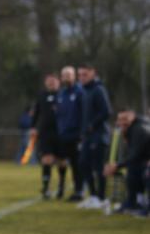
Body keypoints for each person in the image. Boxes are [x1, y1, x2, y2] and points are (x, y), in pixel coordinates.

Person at [77, 64, 113, 210]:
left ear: (93, 73)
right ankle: (93, 196)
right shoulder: (84, 91)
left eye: (84, 74)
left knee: (99, 168)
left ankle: (102, 198)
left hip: (99, 136)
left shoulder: (98, 89)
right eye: (79, 75)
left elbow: (106, 111)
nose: (81, 78)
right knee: (83, 163)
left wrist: (92, 125)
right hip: (87, 136)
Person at [103, 108, 150, 216]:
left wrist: (117, 166)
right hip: (142, 162)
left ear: (131, 117)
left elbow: (135, 154)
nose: (120, 122)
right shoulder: (132, 129)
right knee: (134, 169)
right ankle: (133, 202)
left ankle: (140, 204)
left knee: (143, 171)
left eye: (123, 119)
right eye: (119, 120)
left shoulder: (138, 129)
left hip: (144, 163)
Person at [30, 73, 65, 199]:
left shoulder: (63, 95)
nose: (51, 83)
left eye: (53, 81)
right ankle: (46, 188)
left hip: (61, 133)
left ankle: (61, 186)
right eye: (49, 81)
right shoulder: (41, 96)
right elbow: (36, 113)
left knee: (61, 161)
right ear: (46, 83)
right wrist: (33, 127)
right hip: (45, 133)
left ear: (58, 82)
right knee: (46, 159)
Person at [55, 66, 84, 201]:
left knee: (76, 164)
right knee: (61, 162)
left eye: (68, 75)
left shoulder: (80, 92)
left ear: (74, 76)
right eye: (64, 75)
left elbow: (83, 113)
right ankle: (61, 187)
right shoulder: (61, 93)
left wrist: (81, 133)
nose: (66, 77)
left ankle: (79, 191)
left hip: (75, 135)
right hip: (63, 134)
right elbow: (59, 114)